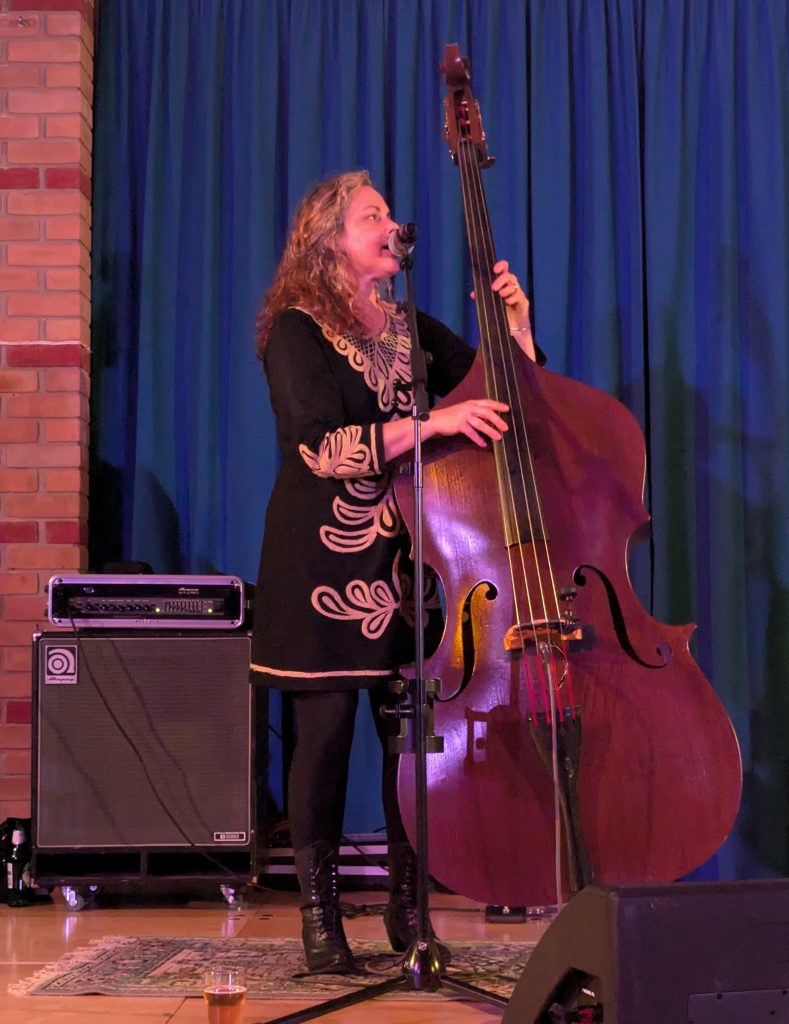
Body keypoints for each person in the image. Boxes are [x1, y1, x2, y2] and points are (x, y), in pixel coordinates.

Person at [250, 170, 537, 974]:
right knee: (327, 734)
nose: (390, 223)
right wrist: (430, 420)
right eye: (370, 215)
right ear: (328, 239)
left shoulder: (409, 328)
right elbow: (322, 448)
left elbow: (498, 395)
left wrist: (514, 326)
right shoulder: (296, 331)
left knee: (409, 736)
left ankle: (410, 914)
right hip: (325, 559)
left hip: (413, 559)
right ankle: (320, 919)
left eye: (387, 212)